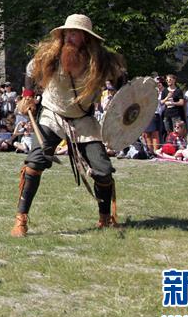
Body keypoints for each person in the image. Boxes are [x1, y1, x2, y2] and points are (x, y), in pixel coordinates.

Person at [9, 14, 126, 237]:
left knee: (103, 170)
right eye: (68, 32)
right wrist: (27, 96)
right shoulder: (50, 55)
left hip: (84, 120)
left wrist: (123, 98)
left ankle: (105, 219)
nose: (70, 36)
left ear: (86, 37)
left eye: (76, 33)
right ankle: (20, 220)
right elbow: (30, 70)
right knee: (35, 163)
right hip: (52, 115)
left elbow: (120, 78)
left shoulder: (100, 60)